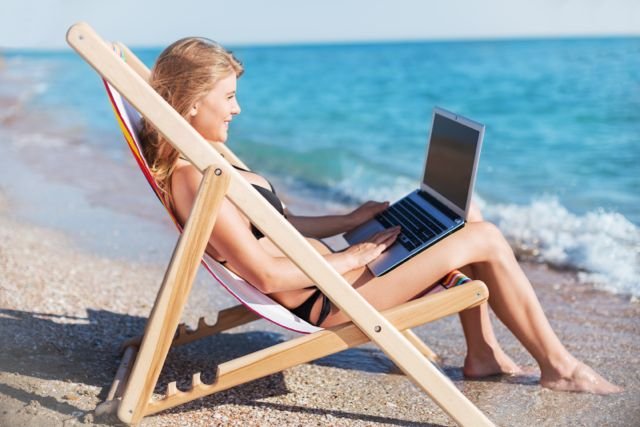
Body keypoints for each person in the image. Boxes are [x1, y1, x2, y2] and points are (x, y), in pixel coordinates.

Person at [139, 37, 621, 394]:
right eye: (228, 98)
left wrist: (351, 220)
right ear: (193, 100)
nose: (237, 109)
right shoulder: (196, 178)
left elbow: (275, 227)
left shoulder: (203, 157)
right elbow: (263, 273)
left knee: (459, 214)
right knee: (485, 237)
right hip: (330, 300)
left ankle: (483, 353)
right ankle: (559, 367)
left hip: (332, 274)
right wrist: (356, 257)